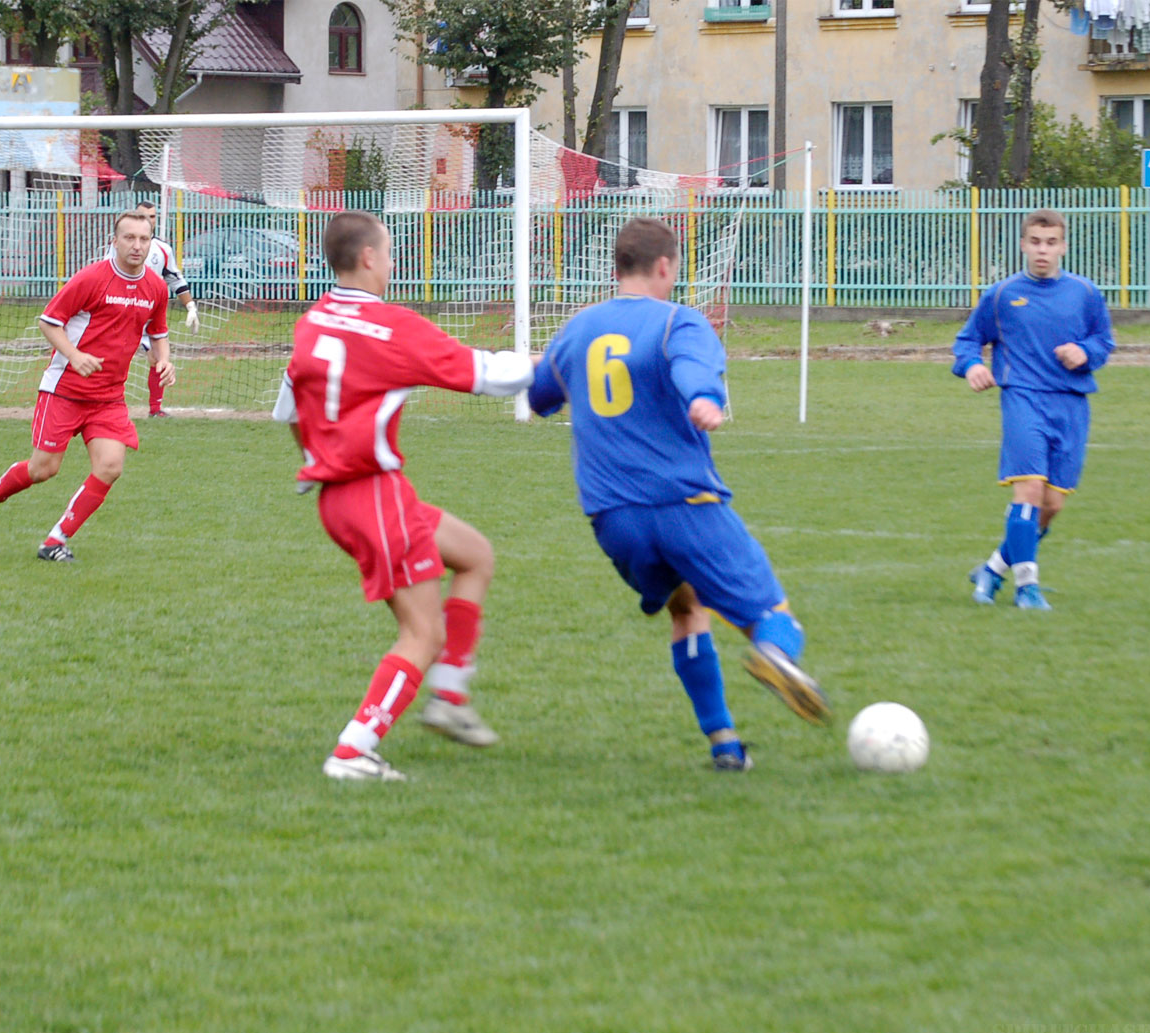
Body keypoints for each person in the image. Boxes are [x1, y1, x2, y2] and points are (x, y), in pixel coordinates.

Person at [527, 217, 829, 772]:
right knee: (773, 613)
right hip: (682, 505)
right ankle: (775, 655)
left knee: (687, 609)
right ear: (665, 266)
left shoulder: (577, 329)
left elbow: (540, 396)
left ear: (617, 267)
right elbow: (693, 369)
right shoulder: (679, 322)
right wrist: (703, 398)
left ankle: (725, 746)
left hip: (612, 519)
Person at [272, 210, 533, 782]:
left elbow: (290, 406)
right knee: (423, 632)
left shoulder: (314, 320)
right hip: (373, 492)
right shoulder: (392, 326)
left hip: (338, 497)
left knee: (475, 555)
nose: (392, 263)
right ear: (368, 257)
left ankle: (450, 697)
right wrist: (558, 364)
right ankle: (354, 748)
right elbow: (487, 374)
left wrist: (320, 456)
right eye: (388, 253)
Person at [0, 210, 174, 563]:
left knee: (110, 466)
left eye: (144, 239)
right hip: (64, 391)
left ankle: (55, 541)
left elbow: (158, 332)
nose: (137, 245)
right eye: (129, 238)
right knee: (43, 469)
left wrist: (164, 360)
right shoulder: (92, 278)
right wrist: (74, 356)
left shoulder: (155, 287)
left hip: (108, 398)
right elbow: (49, 321)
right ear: (114, 241)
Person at [954, 208, 1113, 611]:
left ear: (1064, 246)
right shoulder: (1003, 294)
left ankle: (992, 568)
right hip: (1023, 398)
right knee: (1028, 489)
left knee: (1052, 504)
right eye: (1036, 242)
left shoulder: (1085, 293)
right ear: (1023, 244)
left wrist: (1085, 352)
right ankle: (1027, 586)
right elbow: (968, 340)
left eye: (1051, 243)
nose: (1043, 250)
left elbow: (1103, 341)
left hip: (1071, 404)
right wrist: (972, 365)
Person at [110, 200, 198, 418]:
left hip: (148, 317)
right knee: (112, 358)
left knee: (159, 359)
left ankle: (155, 409)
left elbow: (175, 280)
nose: (148, 220)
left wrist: (191, 307)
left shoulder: (162, 250)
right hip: (120, 316)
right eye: (143, 216)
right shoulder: (118, 248)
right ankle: (104, 402)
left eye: (152, 217)